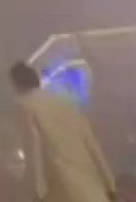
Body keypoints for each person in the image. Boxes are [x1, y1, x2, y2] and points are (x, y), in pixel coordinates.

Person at [8, 62, 115, 202]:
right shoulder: (65, 104)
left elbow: (33, 149)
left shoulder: (24, 106)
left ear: (17, 84)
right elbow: (92, 144)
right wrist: (109, 184)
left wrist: (38, 192)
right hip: (91, 189)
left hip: (60, 189)